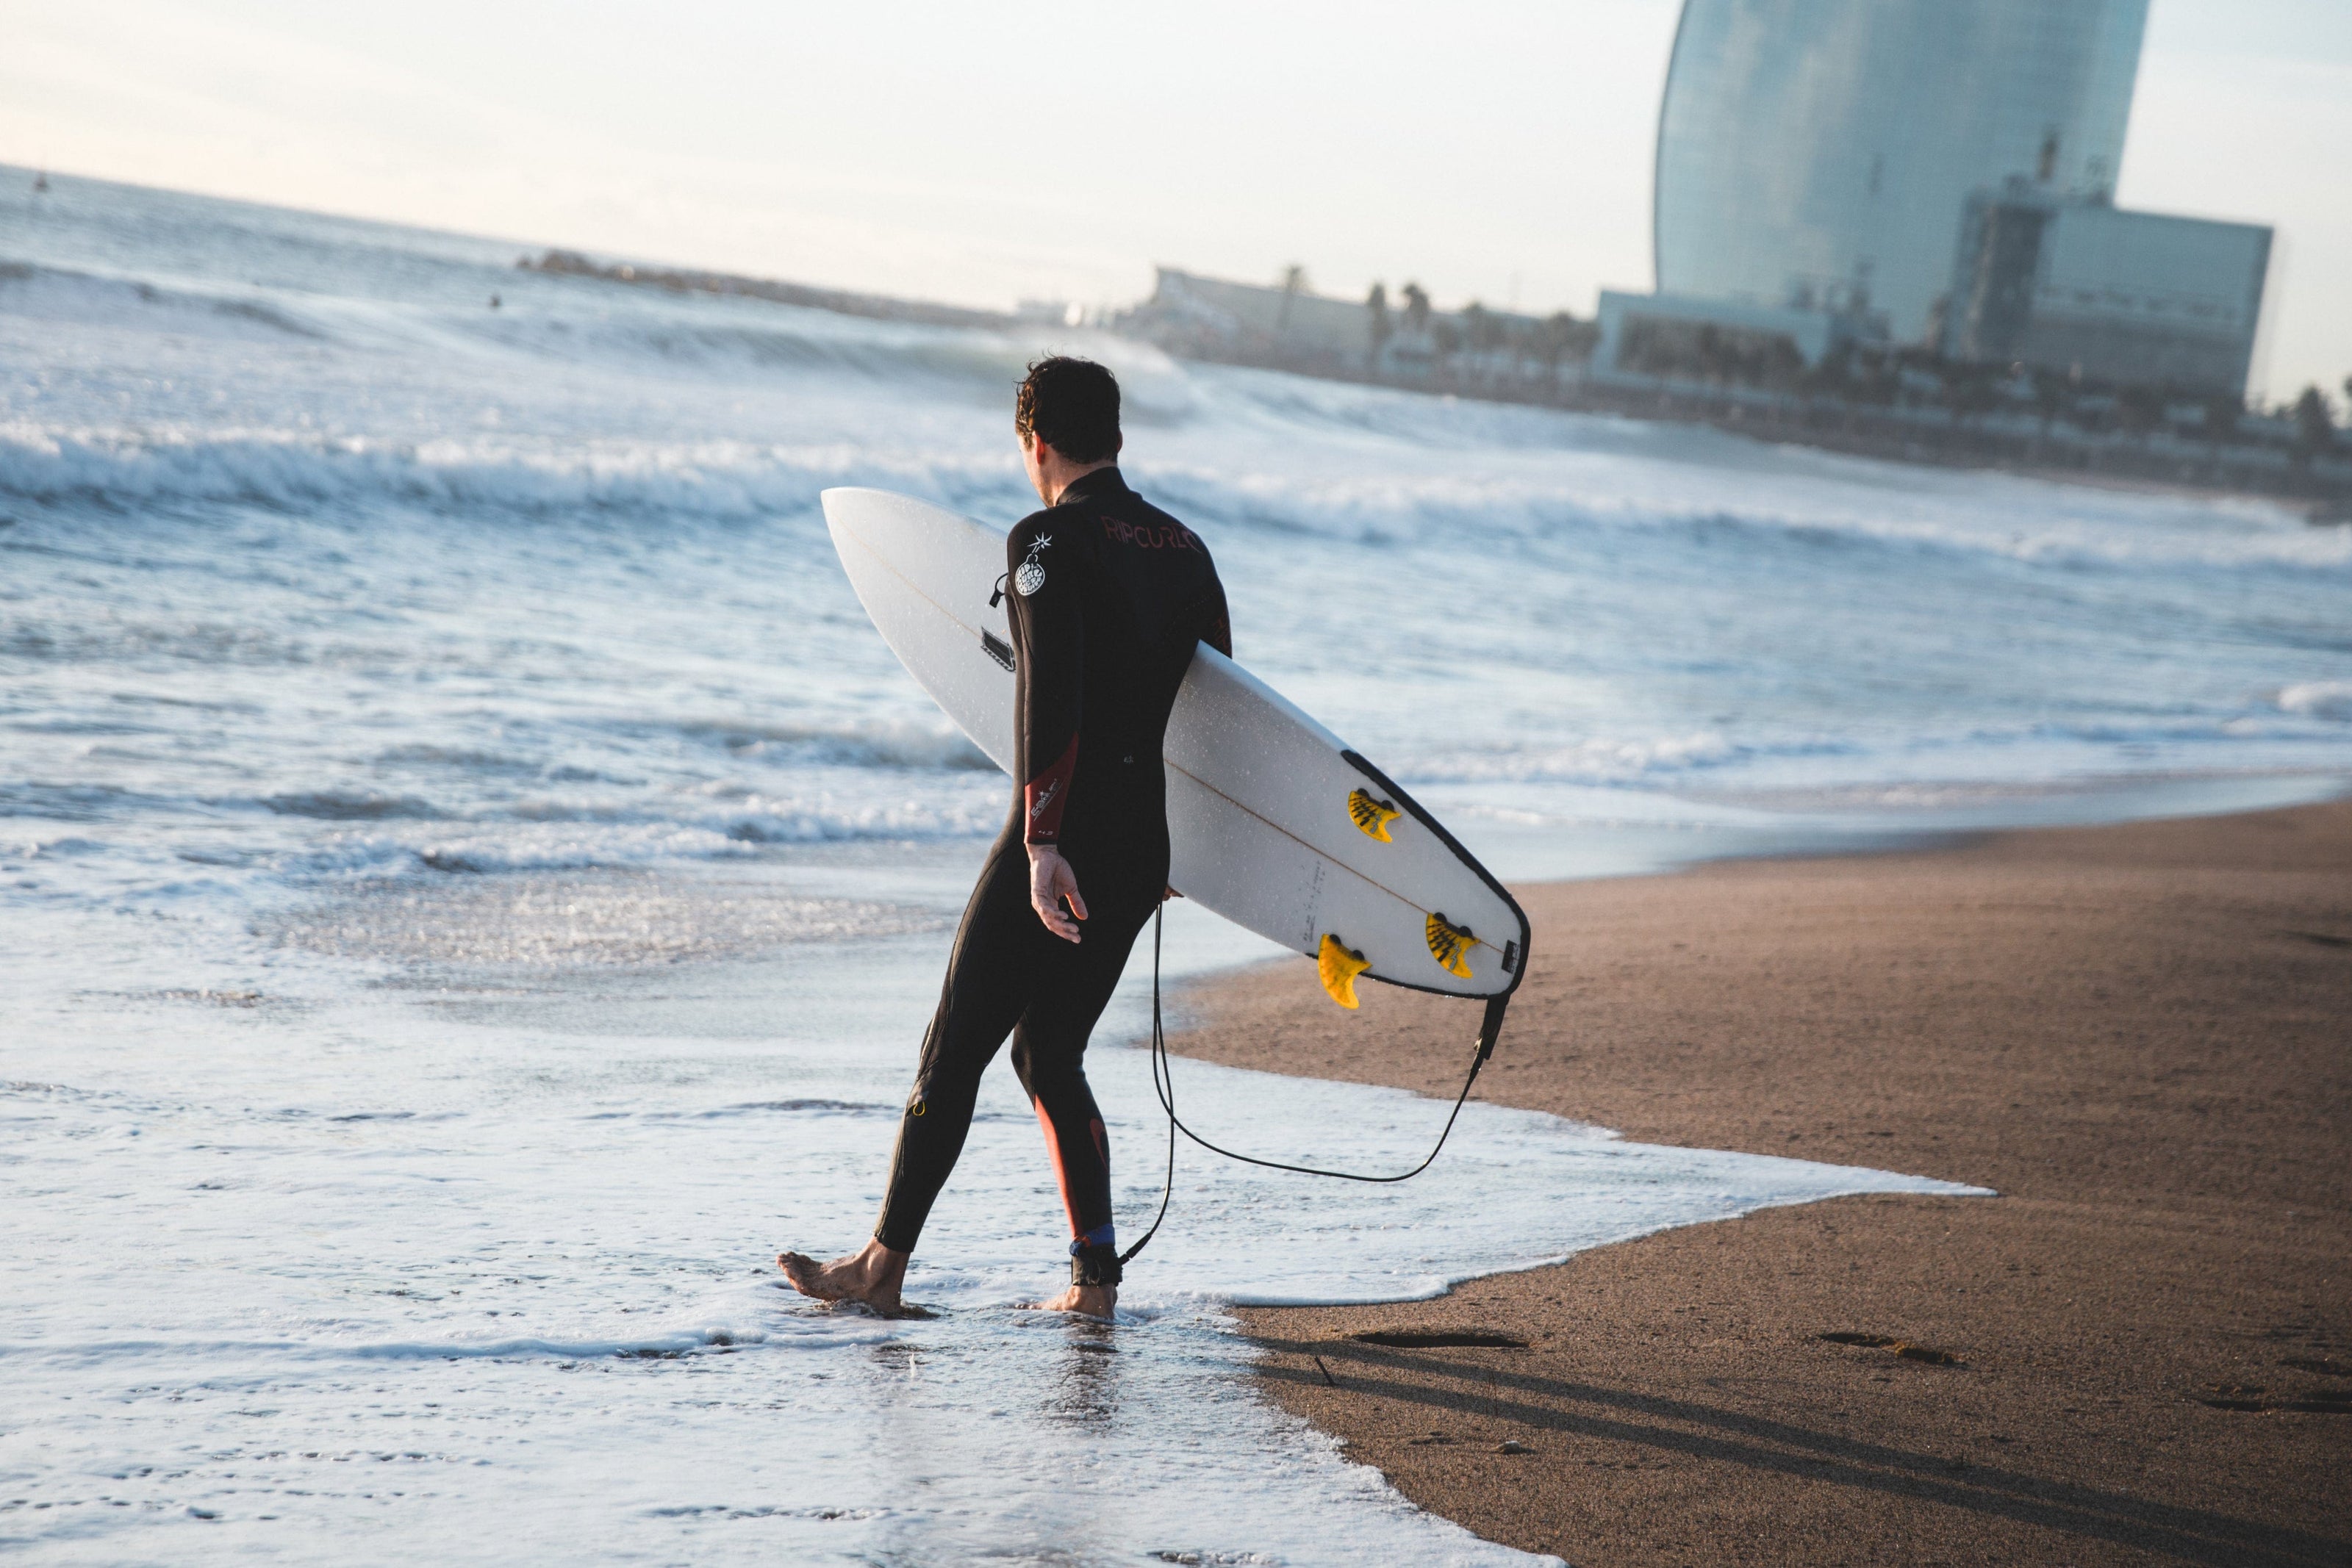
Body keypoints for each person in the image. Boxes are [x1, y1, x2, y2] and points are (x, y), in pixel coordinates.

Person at [778, 356, 1232, 1319]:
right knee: (1049, 1052)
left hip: (1067, 837)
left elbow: (1049, 696)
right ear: (1114, 435)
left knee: (954, 1051)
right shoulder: (1186, 551)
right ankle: (1094, 1284)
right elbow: (1217, 719)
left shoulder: (1045, 539)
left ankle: (880, 1269)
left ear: (1035, 443)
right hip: (1141, 842)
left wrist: (1041, 840)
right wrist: (1181, 851)